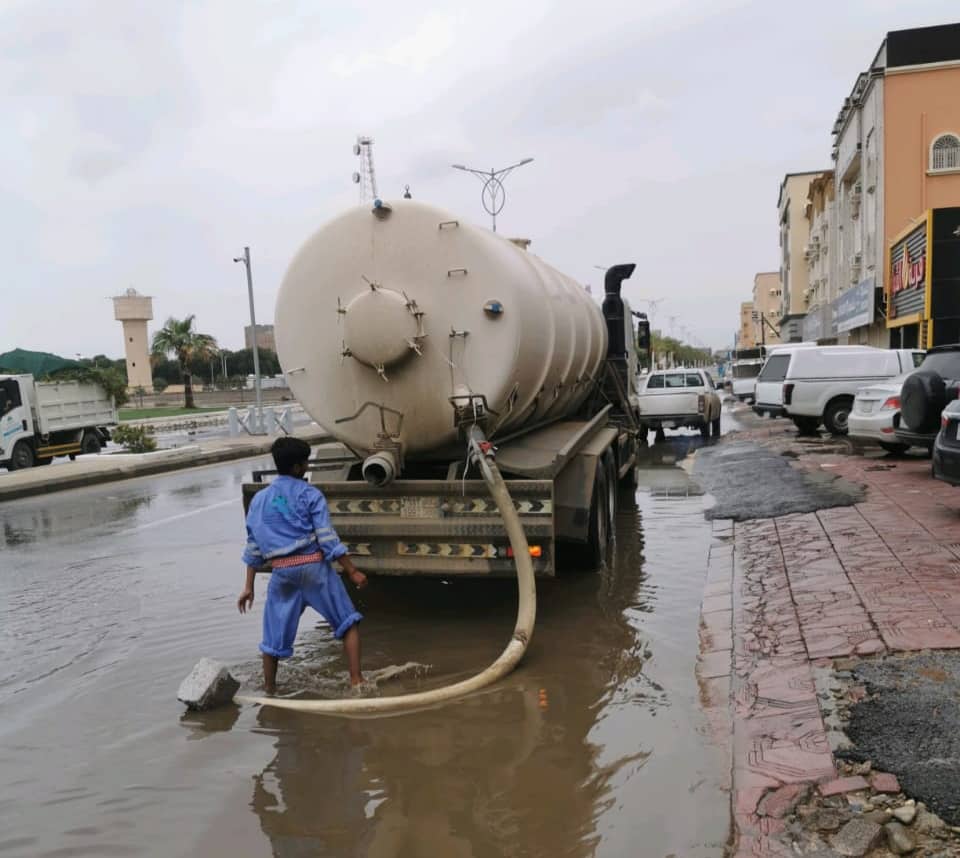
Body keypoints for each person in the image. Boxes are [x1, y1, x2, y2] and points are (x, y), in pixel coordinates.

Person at [238, 436, 367, 694]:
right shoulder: (310, 495)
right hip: (314, 569)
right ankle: (356, 681)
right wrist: (351, 570)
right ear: (298, 467)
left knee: (271, 640)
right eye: (305, 462)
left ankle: (270, 690)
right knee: (348, 623)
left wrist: (248, 586)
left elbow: (253, 545)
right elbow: (327, 538)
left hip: (282, 573)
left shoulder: (260, 501)